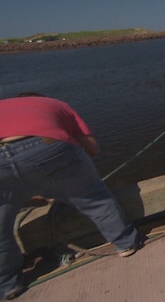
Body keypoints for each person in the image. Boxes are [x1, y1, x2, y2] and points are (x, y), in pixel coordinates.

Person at [0, 95, 141, 300]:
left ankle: (7, 284)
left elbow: (15, 166)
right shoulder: (56, 105)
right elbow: (92, 148)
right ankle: (126, 243)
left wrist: (28, 186)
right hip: (46, 144)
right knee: (94, 198)